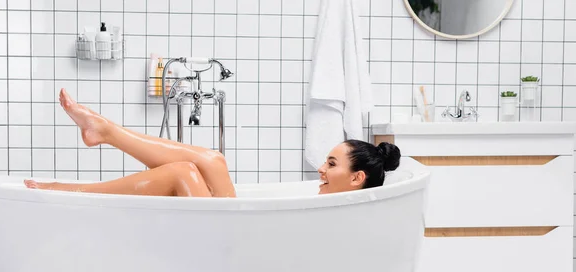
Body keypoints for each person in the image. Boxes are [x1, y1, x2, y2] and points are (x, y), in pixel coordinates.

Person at [24, 89, 400, 197]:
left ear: (356, 178)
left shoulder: (343, 212)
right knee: (207, 161)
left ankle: (69, 190)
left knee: (182, 175)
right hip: (233, 236)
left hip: (234, 255)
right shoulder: (333, 203)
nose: (321, 168)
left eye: (332, 165)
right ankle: (104, 134)